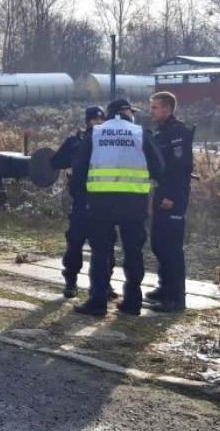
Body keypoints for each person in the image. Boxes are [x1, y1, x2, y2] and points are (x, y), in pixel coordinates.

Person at [73, 97, 164, 316]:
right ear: (125, 112)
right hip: (133, 203)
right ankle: (133, 302)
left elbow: (79, 169)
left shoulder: (95, 134)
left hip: (100, 203)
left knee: (100, 252)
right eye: (132, 111)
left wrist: (82, 197)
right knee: (133, 252)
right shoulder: (140, 133)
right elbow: (159, 167)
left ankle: (98, 301)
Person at [146, 91, 195, 313]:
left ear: (167, 109)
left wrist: (172, 197)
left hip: (172, 196)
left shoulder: (178, 133)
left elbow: (181, 168)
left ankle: (176, 299)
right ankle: (165, 287)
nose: (151, 111)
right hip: (161, 192)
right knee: (158, 243)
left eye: (155, 107)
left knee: (171, 248)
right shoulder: (161, 132)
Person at [50, 106, 106, 297]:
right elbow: (56, 161)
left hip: (102, 199)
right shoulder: (76, 141)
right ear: (87, 121)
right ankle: (71, 282)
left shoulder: (108, 141)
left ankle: (104, 286)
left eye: (101, 120)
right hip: (82, 198)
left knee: (104, 246)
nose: (98, 123)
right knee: (75, 243)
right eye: (94, 120)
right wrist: (73, 161)